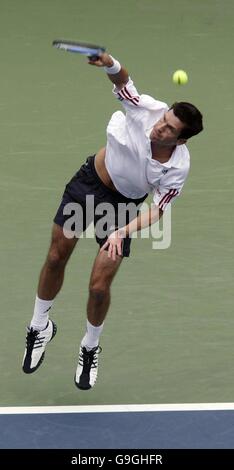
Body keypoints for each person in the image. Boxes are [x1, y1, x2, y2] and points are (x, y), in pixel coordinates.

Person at [22, 51, 203, 390]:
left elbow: (158, 210)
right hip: (89, 184)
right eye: (163, 119)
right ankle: (39, 325)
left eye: (169, 129)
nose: (159, 127)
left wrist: (123, 229)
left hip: (122, 209)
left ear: (180, 141)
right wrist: (110, 63)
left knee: (98, 287)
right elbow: (123, 83)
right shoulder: (146, 110)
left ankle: (90, 346)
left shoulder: (177, 168)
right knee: (56, 257)